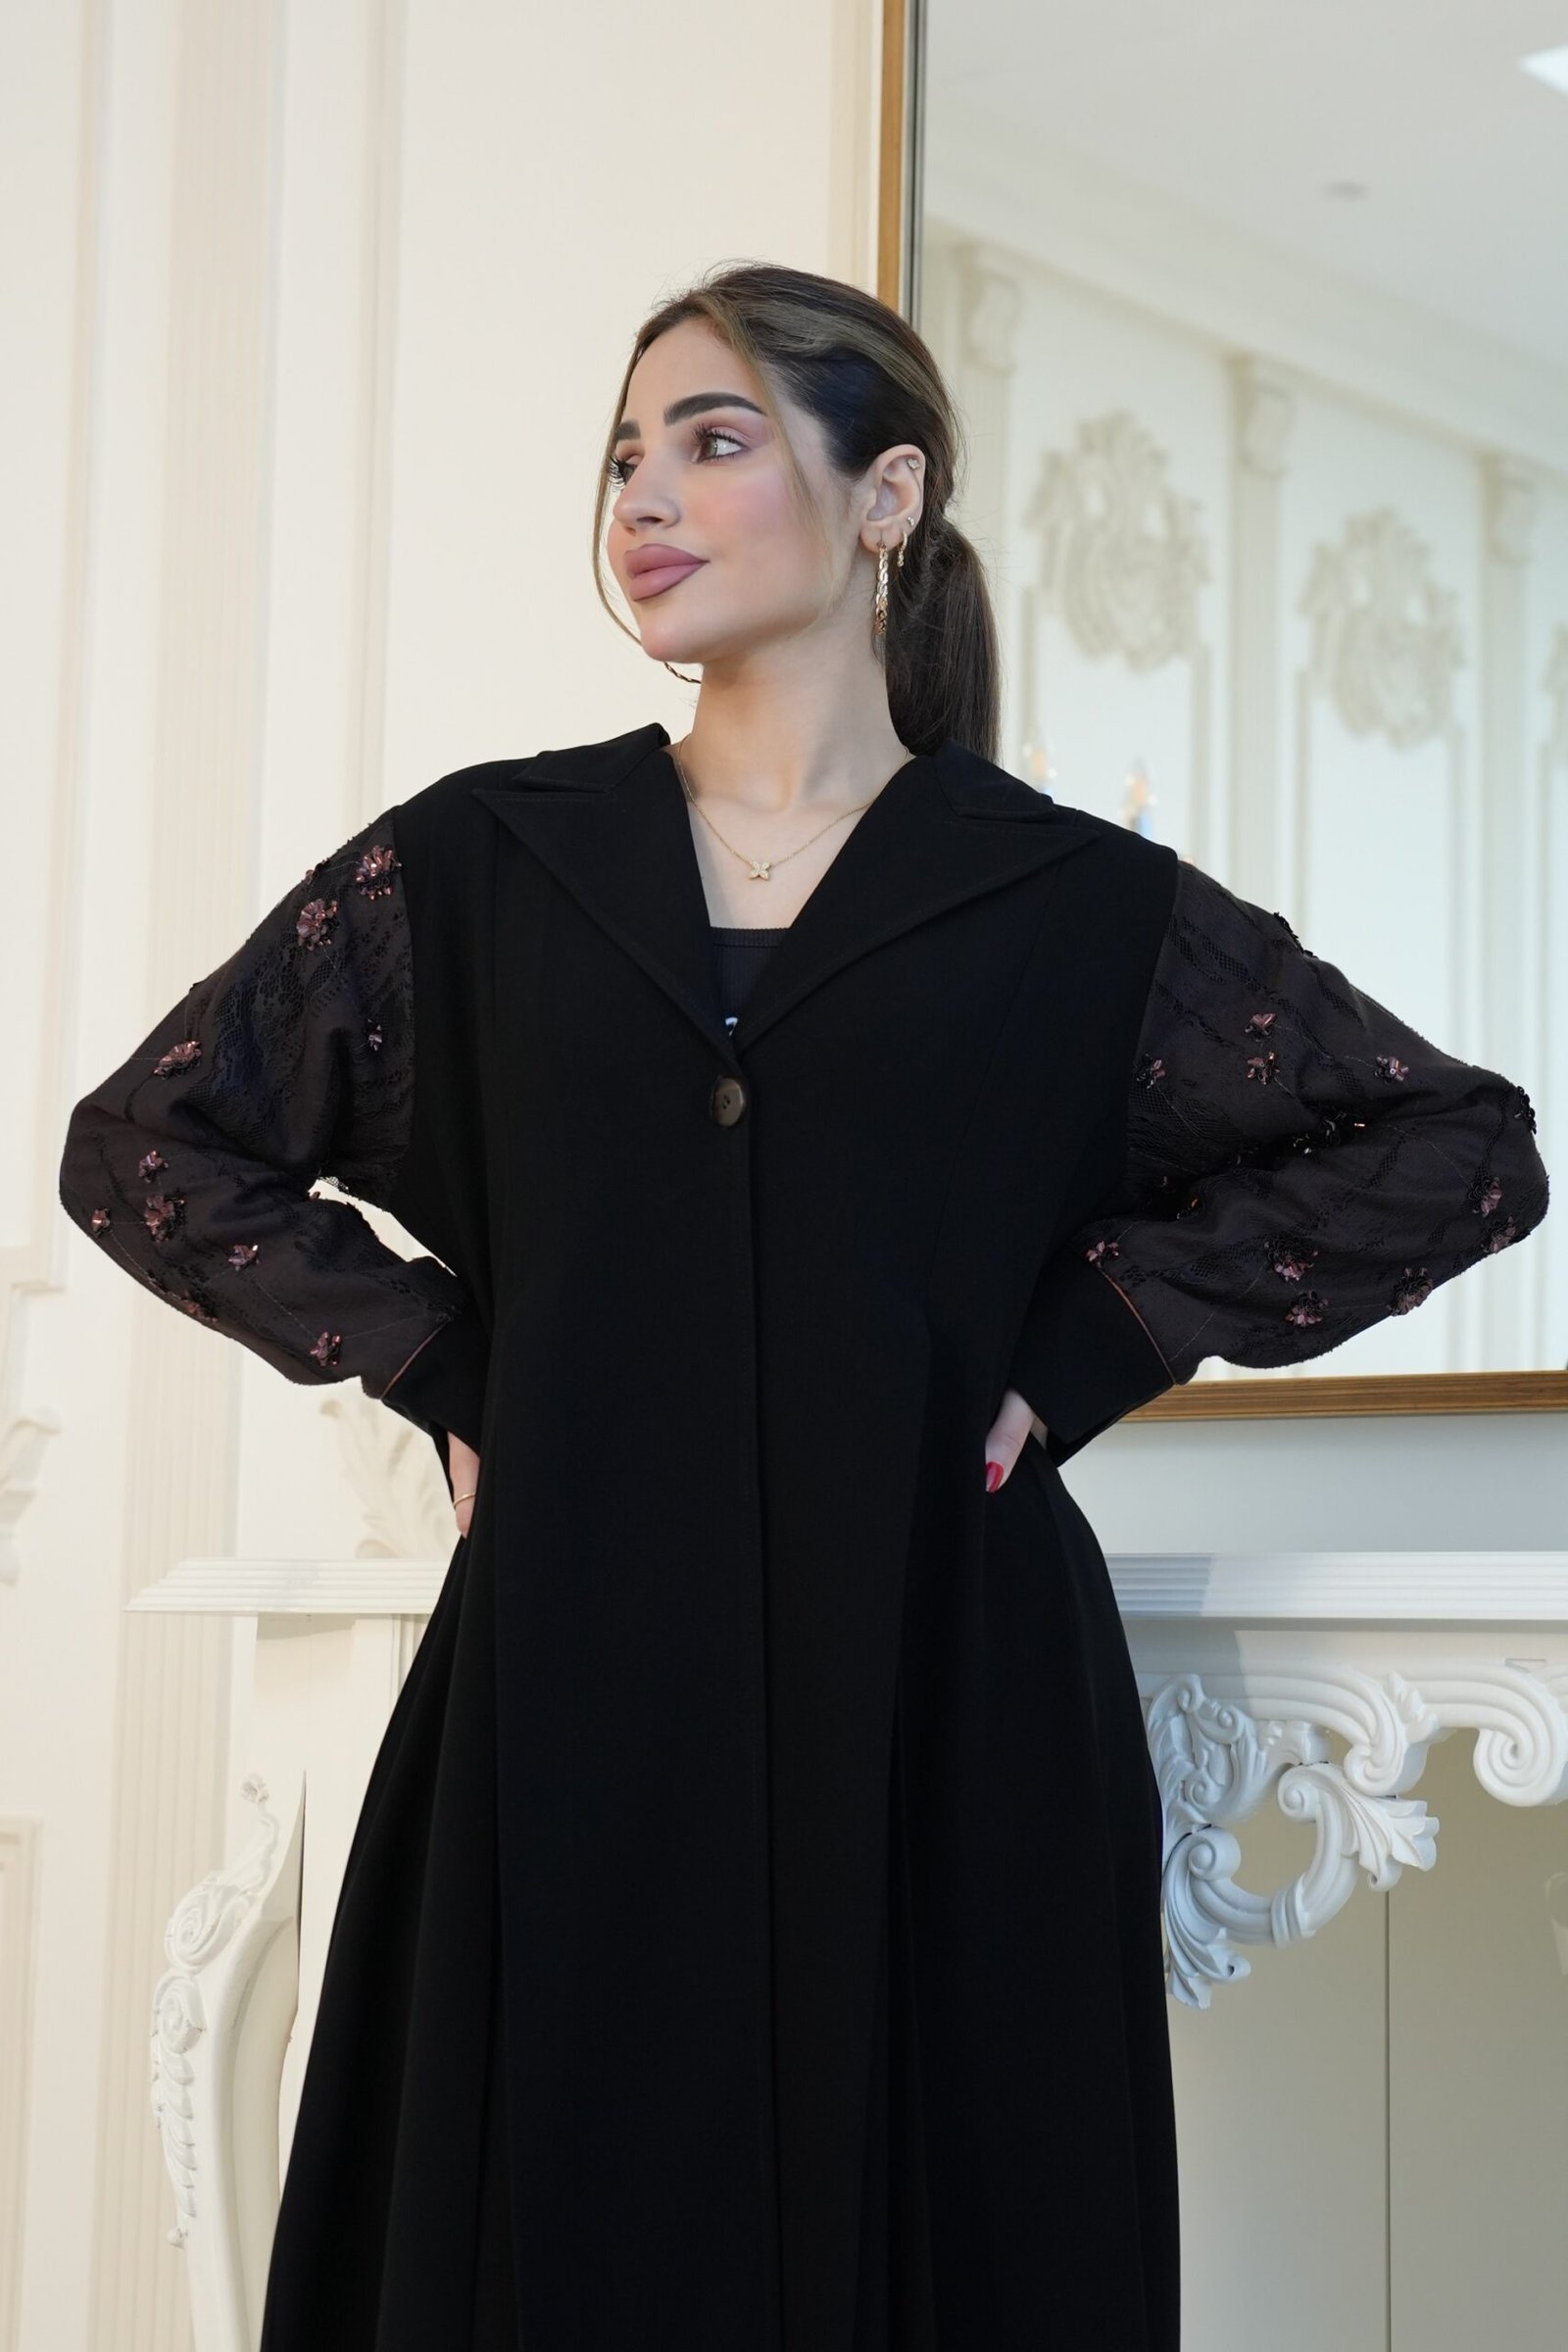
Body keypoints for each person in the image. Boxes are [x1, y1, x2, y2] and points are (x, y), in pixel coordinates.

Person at [58, 259, 1549, 2351]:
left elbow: (1456, 1145)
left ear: (886, 496)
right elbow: (148, 1143)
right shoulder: (480, 868)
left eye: (712, 439)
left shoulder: (1069, 904)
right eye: (622, 457)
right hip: (574, 1670)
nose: (643, 499)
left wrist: (1086, 1343)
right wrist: (455, 1365)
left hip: (948, 1665)